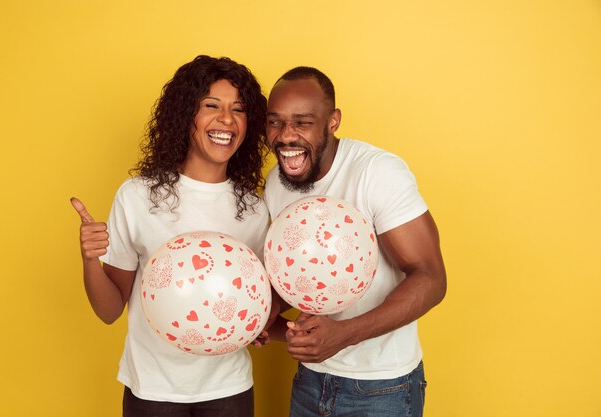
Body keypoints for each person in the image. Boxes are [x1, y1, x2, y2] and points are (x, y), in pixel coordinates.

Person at [71, 55, 272, 417]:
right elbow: (109, 310)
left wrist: (258, 323)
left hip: (229, 389)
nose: (226, 119)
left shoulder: (255, 210)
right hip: (152, 390)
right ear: (185, 115)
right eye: (211, 105)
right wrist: (89, 260)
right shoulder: (137, 196)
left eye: (238, 110)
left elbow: (258, 301)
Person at [263, 66, 447, 417]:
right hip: (310, 380)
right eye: (275, 122)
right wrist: (260, 318)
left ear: (332, 121)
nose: (286, 136)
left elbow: (431, 278)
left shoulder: (377, 173)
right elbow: (298, 272)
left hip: (382, 388)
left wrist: (344, 334)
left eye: (302, 122)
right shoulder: (277, 183)